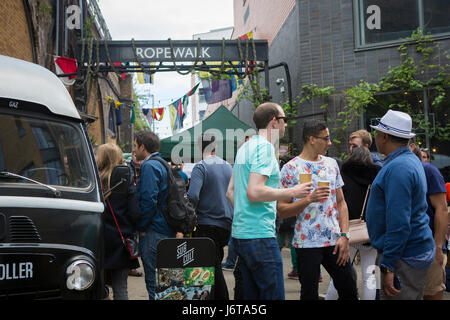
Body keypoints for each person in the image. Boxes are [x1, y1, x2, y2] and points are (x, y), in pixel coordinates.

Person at [226, 102, 313, 300]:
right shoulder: (265, 149)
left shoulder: (245, 147)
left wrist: (245, 213)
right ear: (274, 121)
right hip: (259, 235)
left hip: (241, 234)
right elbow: (254, 192)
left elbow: (230, 192)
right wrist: (293, 191)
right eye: (284, 120)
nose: (286, 125)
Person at [277, 119, 358, 300]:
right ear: (312, 139)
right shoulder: (290, 169)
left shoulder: (332, 164)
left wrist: (345, 235)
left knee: (349, 289)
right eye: (326, 138)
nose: (330, 142)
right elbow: (281, 210)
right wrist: (308, 199)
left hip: (334, 240)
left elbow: (341, 203)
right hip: (307, 243)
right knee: (309, 294)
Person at [366, 110, 435, 300]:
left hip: (404, 256)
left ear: (385, 136)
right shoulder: (407, 160)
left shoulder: (399, 168)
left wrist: (388, 264)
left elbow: (399, 222)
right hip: (408, 250)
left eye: (377, 133)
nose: (375, 138)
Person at [325, 146, 381, 300]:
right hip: (370, 233)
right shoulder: (377, 176)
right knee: (370, 277)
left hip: (347, 232)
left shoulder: (343, 174)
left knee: (340, 275)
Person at [133, 131, 183, 300]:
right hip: (166, 228)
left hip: (153, 230)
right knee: (166, 281)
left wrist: (141, 227)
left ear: (142, 146)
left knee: (153, 281)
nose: (134, 150)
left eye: (134, 146)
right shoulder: (163, 163)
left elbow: (148, 201)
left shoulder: (149, 166)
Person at [187, 133, 234, 300]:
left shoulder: (201, 167)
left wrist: (191, 213)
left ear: (199, 148)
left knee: (208, 267)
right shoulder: (228, 166)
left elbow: (193, 195)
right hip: (226, 224)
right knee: (214, 262)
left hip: (207, 223)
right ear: (216, 147)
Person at [95, 143, 141, 300]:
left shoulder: (93, 180)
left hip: (97, 240)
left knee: (97, 288)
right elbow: (135, 212)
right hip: (121, 242)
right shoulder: (125, 181)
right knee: (121, 289)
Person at [409, 141, 448, 300]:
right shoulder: (391, 171)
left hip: (428, 247)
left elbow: (442, 209)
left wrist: (438, 246)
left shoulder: (429, 171)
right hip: (404, 249)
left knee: (432, 292)